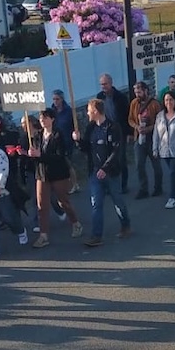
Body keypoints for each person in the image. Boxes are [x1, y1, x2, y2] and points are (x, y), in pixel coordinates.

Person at [73, 98, 132, 247]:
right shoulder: (91, 127)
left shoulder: (113, 127)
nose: (87, 113)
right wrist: (78, 140)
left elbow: (116, 151)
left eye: (88, 111)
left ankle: (125, 224)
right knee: (96, 204)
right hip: (95, 172)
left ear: (95, 111)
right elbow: (86, 148)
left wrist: (105, 168)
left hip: (111, 172)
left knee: (118, 201)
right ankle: (96, 236)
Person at [27, 108, 83, 247]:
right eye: (41, 118)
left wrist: (40, 155)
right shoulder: (38, 135)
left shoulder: (58, 134)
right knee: (42, 205)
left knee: (63, 202)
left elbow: (59, 156)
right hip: (42, 174)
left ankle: (75, 223)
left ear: (52, 119)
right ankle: (43, 235)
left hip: (58, 174)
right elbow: (36, 155)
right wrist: (32, 154)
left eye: (45, 118)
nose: (42, 120)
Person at [0, 111, 29, 217]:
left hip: (9, 169)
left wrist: (13, 152)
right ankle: (4, 217)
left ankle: (17, 213)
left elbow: (17, 150)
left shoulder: (9, 135)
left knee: (12, 194)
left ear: (0, 120)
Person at [96, 73, 132, 193]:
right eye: (101, 84)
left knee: (120, 158)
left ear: (111, 83)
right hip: (106, 130)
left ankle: (123, 185)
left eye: (105, 84)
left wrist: (129, 133)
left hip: (120, 130)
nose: (103, 87)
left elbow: (127, 116)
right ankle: (110, 185)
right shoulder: (99, 97)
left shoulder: (120, 97)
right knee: (107, 158)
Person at [129, 81, 164, 199]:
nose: (137, 95)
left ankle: (158, 187)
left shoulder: (155, 104)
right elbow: (130, 119)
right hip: (139, 138)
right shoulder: (134, 103)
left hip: (153, 139)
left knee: (156, 165)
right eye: (135, 92)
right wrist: (137, 127)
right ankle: (143, 189)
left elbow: (161, 122)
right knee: (139, 165)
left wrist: (148, 129)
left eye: (139, 92)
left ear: (145, 91)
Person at [50, 89, 81, 194]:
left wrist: (75, 138)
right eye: (54, 99)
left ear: (62, 99)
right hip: (55, 141)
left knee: (68, 163)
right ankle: (63, 185)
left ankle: (75, 184)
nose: (55, 101)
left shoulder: (68, 111)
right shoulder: (52, 112)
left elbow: (74, 125)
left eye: (57, 99)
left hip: (67, 141)